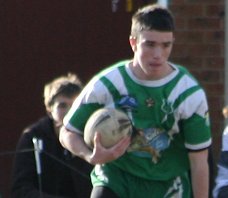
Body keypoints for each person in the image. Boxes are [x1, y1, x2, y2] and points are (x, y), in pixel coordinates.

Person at [59, 4, 212, 198]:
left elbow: (199, 161)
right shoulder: (107, 84)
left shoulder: (188, 93)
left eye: (166, 45)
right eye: (150, 44)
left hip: (166, 185)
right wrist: (89, 156)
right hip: (117, 177)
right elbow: (68, 131)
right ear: (133, 43)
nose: (158, 54)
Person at [11, 73, 93, 198]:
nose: (69, 113)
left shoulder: (91, 135)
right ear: (49, 110)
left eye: (75, 106)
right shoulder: (32, 137)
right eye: (62, 106)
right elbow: (20, 189)